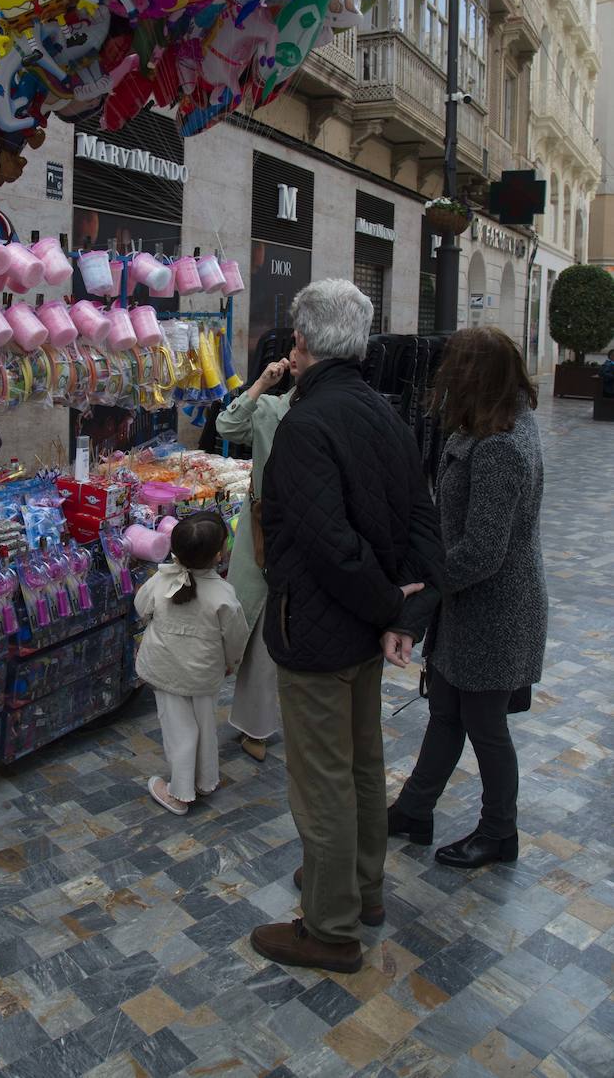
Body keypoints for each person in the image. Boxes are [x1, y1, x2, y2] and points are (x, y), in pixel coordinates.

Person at [249, 279, 444, 974]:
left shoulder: (307, 424)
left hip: (320, 631)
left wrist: (392, 608)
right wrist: (399, 614)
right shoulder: (382, 413)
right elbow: (423, 524)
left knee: (324, 780)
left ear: (301, 343)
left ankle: (329, 928)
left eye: (293, 340)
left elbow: (329, 546)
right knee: (361, 766)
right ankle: (359, 890)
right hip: (361, 631)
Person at [388, 327, 547, 869]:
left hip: (496, 610)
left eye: (455, 370)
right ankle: (414, 808)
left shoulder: (502, 445)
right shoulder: (489, 429)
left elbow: (482, 551)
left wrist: (423, 591)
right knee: (447, 709)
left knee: (484, 724)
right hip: (473, 606)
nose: (444, 380)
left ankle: (500, 832)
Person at [215, 343, 305, 761]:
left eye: (298, 348)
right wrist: (261, 384)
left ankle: (264, 721)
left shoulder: (297, 411)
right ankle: (258, 722)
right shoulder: (270, 409)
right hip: (264, 533)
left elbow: (227, 425)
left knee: (278, 629)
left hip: (289, 534)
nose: (290, 355)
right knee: (259, 626)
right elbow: (227, 425)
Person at [135, 512, 250, 815]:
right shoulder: (223, 594)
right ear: (218, 555)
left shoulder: (162, 579)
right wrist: (231, 663)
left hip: (165, 669)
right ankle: (204, 780)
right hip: (204, 672)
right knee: (204, 725)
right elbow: (237, 637)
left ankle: (180, 793)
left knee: (179, 730)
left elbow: (141, 607)